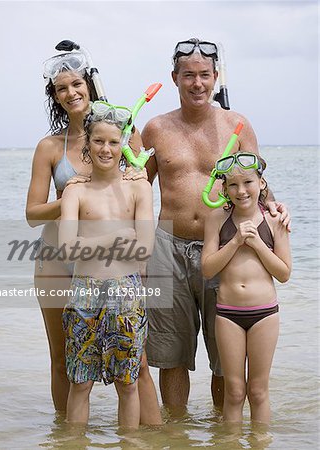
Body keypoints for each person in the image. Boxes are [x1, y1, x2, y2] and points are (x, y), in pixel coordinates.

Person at [142, 38, 290, 413]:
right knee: (171, 353)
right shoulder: (156, 128)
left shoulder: (237, 124)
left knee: (226, 357)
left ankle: (224, 438)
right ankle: (178, 435)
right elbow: (138, 189)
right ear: (174, 78)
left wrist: (277, 210)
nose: (197, 83)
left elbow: (258, 183)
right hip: (166, 246)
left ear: (215, 77)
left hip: (226, 246)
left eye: (204, 75)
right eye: (188, 75)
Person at [26, 44, 162, 425]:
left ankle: (156, 440)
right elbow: (33, 214)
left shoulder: (122, 134)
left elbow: (138, 196)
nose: (71, 93)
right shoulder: (49, 147)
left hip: (119, 264)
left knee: (139, 362)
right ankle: (66, 437)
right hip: (57, 258)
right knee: (63, 359)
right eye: (61, 88)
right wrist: (77, 192)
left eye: (77, 83)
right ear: (55, 96)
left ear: (90, 84)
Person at [58, 102, 156, 427]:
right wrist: (117, 237)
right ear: (87, 144)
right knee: (80, 382)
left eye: (114, 142)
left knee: (127, 383)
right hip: (83, 294)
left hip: (127, 294)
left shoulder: (139, 188)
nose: (106, 149)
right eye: (98, 141)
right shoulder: (76, 191)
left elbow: (144, 248)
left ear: (123, 145)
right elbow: (67, 249)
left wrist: (93, 244)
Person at [201, 151, 291, 424]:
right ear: (224, 189)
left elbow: (284, 273)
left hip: (264, 313)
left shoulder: (275, 220)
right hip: (228, 314)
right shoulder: (217, 219)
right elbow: (207, 269)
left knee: (258, 391)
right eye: (233, 185)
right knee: (235, 392)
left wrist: (257, 244)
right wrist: (236, 240)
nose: (241, 191)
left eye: (248, 182)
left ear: (261, 184)